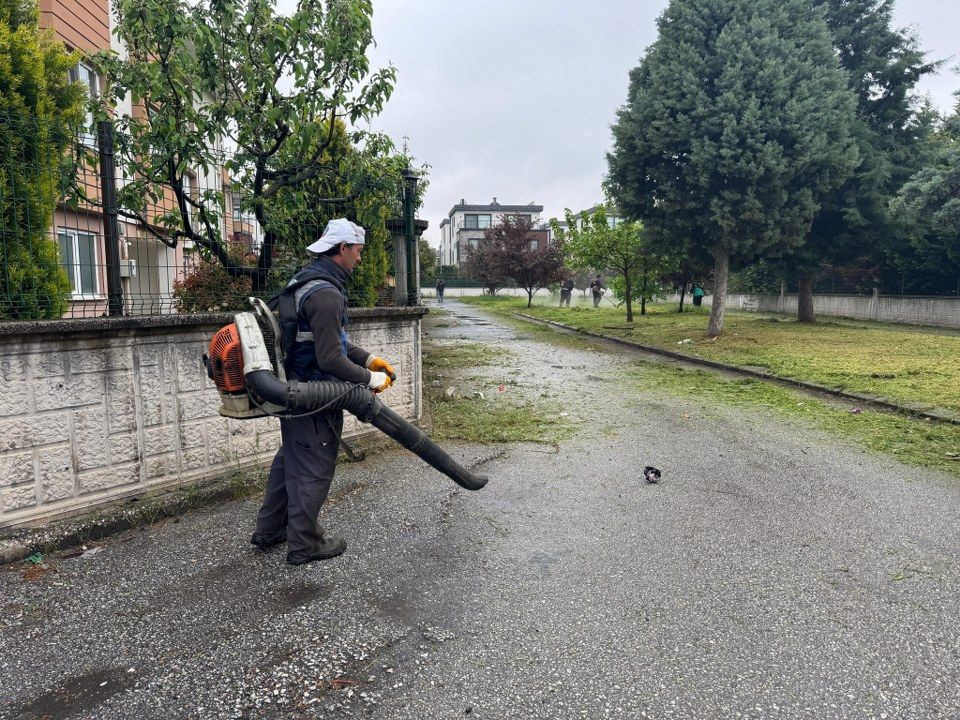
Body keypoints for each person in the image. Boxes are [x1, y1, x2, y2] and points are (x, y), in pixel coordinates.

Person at [251, 218, 395, 566]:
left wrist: (369, 359)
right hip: (314, 395)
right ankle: (304, 545)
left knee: (291, 461)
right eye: (358, 252)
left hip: (293, 389)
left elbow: (327, 342)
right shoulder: (327, 293)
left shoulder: (306, 282)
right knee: (313, 466)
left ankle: (270, 530)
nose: (360, 259)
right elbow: (330, 358)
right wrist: (368, 379)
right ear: (343, 248)